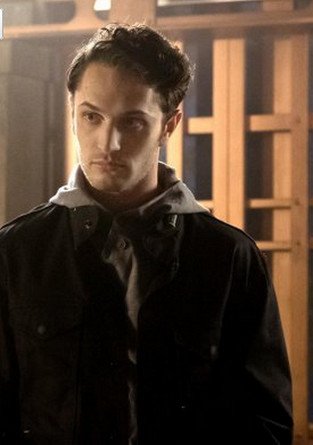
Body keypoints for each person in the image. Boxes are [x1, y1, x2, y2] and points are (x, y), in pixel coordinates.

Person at [0, 23, 293, 444]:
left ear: (169, 125)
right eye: (91, 117)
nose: (108, 143)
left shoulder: (228, 257)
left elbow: (266, 423)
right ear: (72, 113)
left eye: (133, 122)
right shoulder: (17, 252)